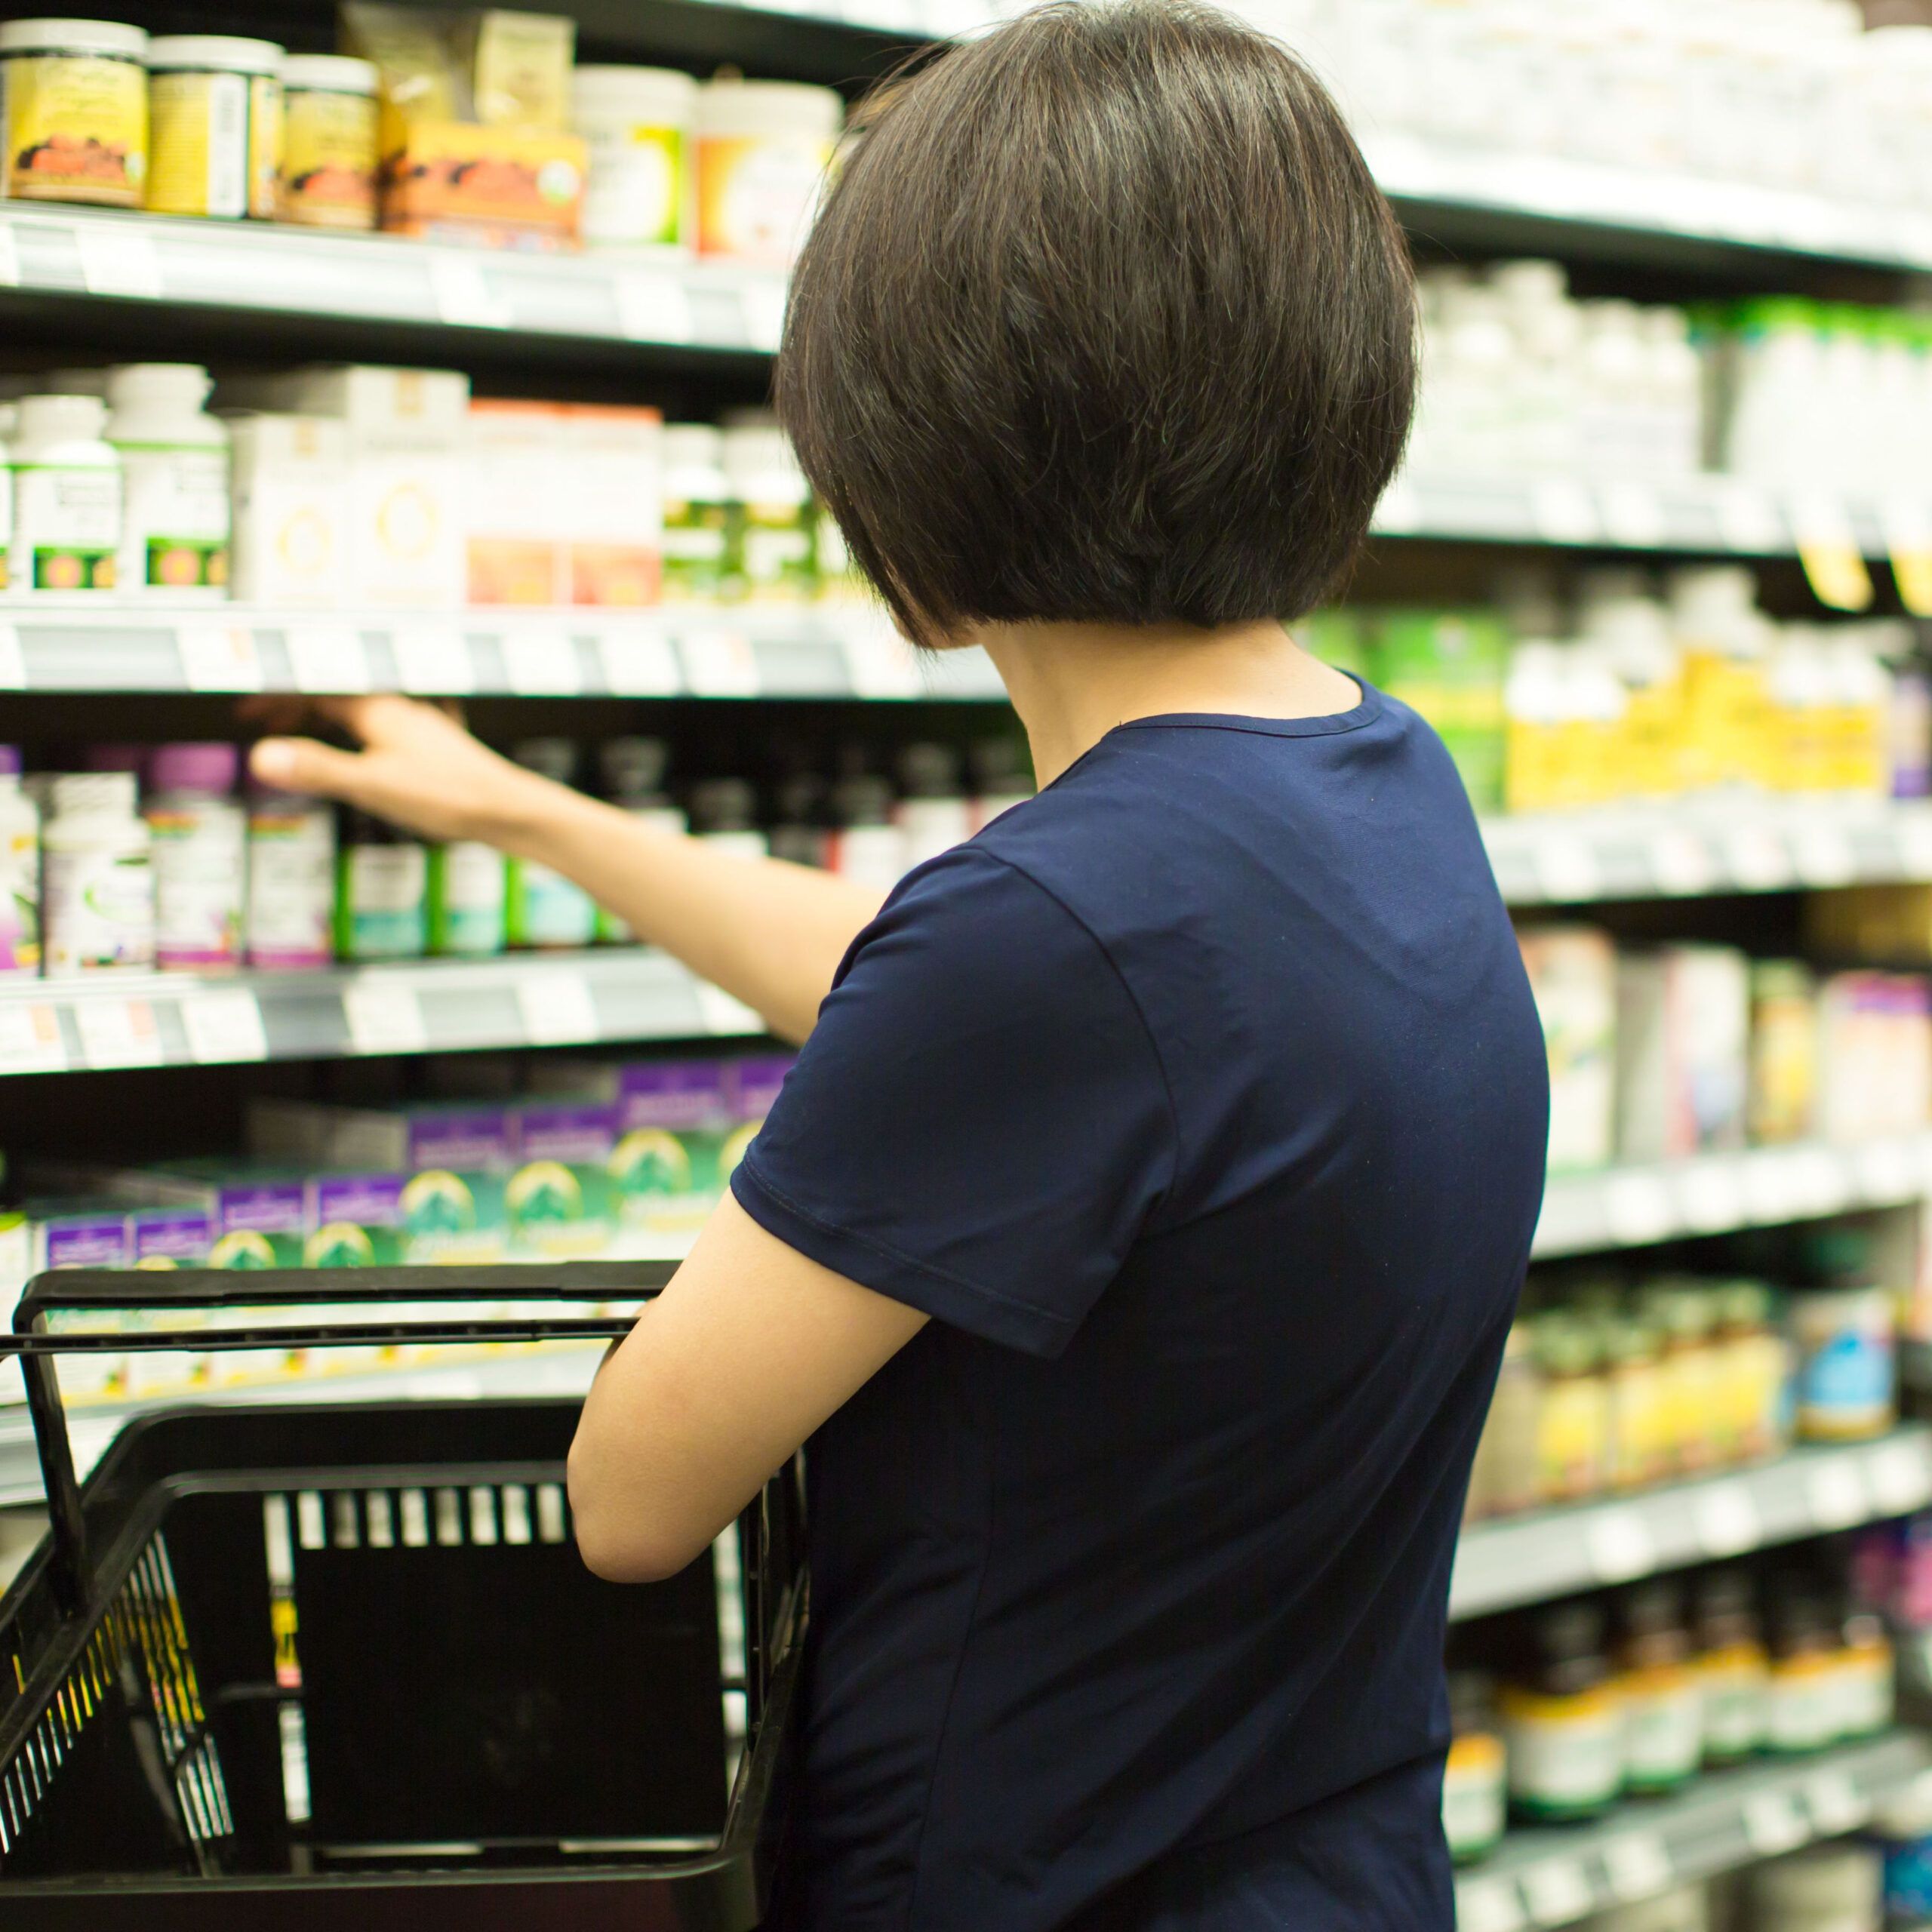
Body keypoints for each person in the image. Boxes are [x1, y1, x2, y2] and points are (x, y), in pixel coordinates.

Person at [247, 2, 1549, 1925]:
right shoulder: (1369, 780)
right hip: (1325, 1868)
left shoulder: (1048, 934)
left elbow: (630, 1495)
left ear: (917, 453)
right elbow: (1003, 1007)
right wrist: (530, 813)